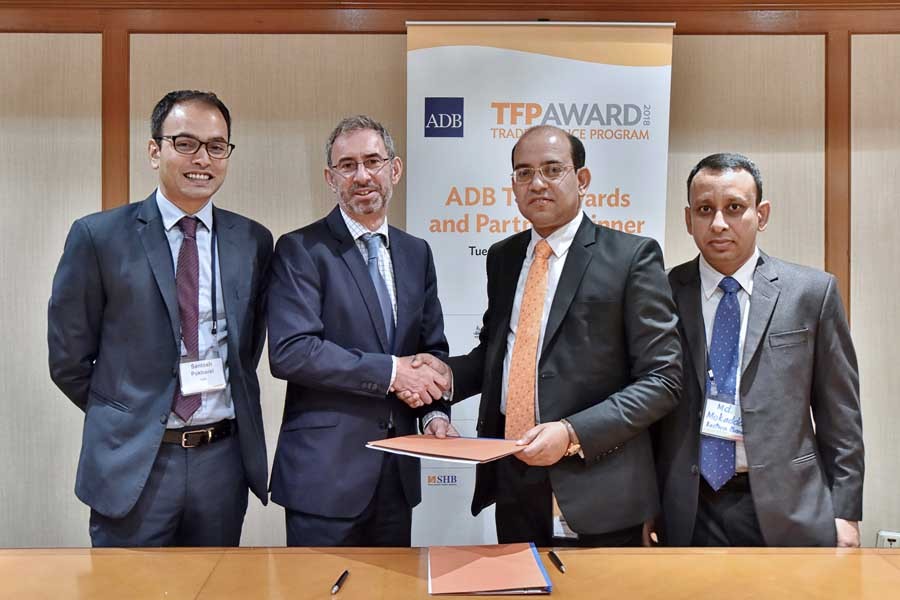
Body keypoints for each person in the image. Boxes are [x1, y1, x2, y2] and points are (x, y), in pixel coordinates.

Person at [413, 125, 682, 546]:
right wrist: (445, 378)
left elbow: (663, 380)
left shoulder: (632, 257)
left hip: (599, 486)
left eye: (552, 169)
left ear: (582, 179)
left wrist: (573, 433)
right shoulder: (503, 258)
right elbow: (500, 354)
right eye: (524, 173)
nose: (537, 182)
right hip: (514, 479)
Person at [48, 90, 273, 546]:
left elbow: (245, 351)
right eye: (185, 143)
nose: (202, 159)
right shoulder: (99, 236)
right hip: (136, 462)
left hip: (221, 461)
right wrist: (131, 415)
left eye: (216, 146)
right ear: (155, 150)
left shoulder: (252, 240)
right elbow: (68, 359)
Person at [651, 152, 863, 547]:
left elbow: (841, 417)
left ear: (761, 214)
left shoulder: (812, 294)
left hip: (790, 506)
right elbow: (647, 416)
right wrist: (646, 508)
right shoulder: (660, 294)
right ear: (688, 218)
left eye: (734, 208)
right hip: (688, 508)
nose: (718, 223)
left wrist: (846, 513)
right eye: (704, 209)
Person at [267, 115, 454, 547]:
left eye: (373, 161)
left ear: (395, 169)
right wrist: (393, 373)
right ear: (330, 178)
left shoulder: (416, 253)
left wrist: (433, 413)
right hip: (324, 478)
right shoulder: (300, 249)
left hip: (397, 474)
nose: (362, 175)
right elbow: (292, 351)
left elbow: (431, 350)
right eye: (347, 166)